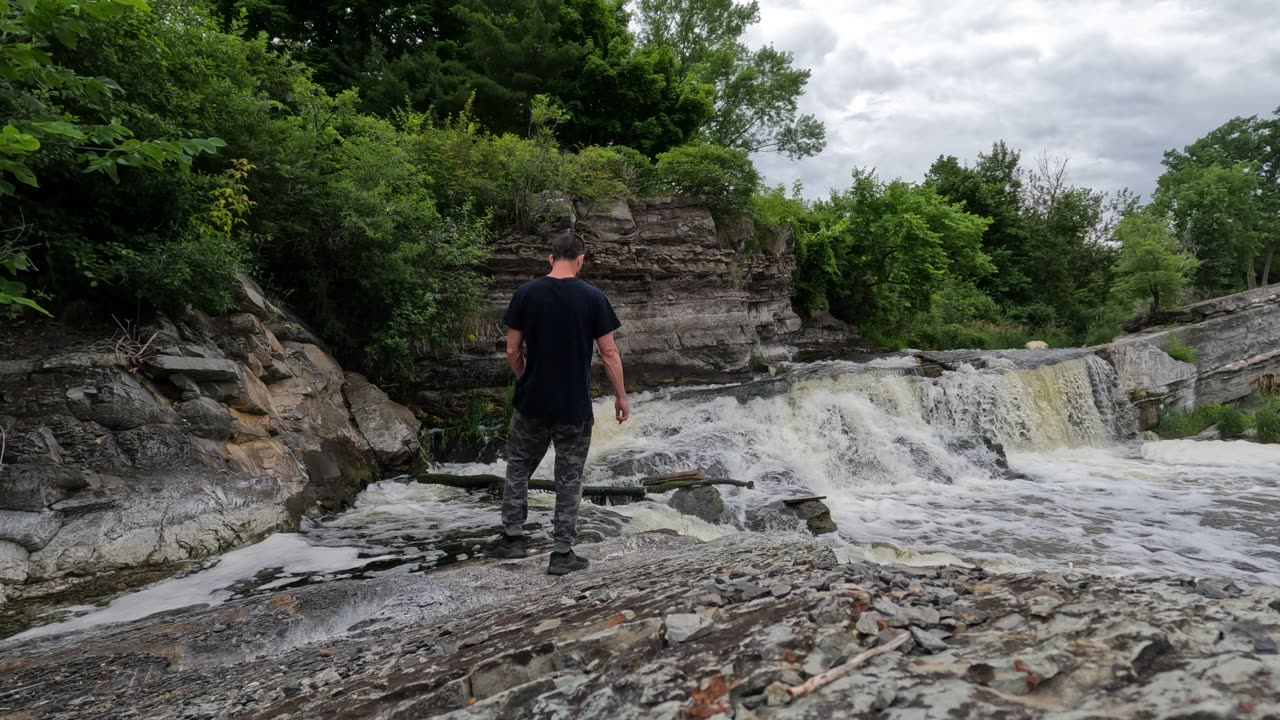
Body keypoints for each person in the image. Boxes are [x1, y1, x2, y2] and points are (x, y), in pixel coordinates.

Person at [485, 229, 629, 575]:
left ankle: (513, 539)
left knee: (518, 466)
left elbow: (511, 349)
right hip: (574, 406)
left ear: (551, 259)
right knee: (568, 477)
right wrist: (621, 396)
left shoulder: (525, 294)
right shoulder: (593, 297)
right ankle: (562, 554)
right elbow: (608, 352)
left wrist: (526, 379)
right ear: (580, 260)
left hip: (531, 401)